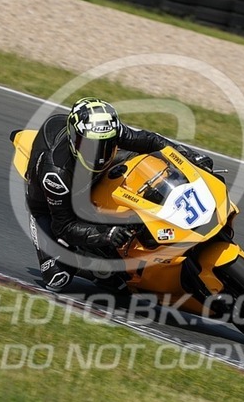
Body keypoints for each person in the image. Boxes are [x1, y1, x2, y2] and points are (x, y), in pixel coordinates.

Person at [24, 97, 212, 292]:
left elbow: (151, 141)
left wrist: (188, 156)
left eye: (105, 145)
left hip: (95, 178)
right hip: (51, 206)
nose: (98, 154)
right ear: (74, 140)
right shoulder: (55, 173)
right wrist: (106, 235)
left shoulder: (109, 131)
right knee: (57, 278)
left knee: (145, 161)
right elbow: (64, 227)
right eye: (89, 146)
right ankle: (91, 266)